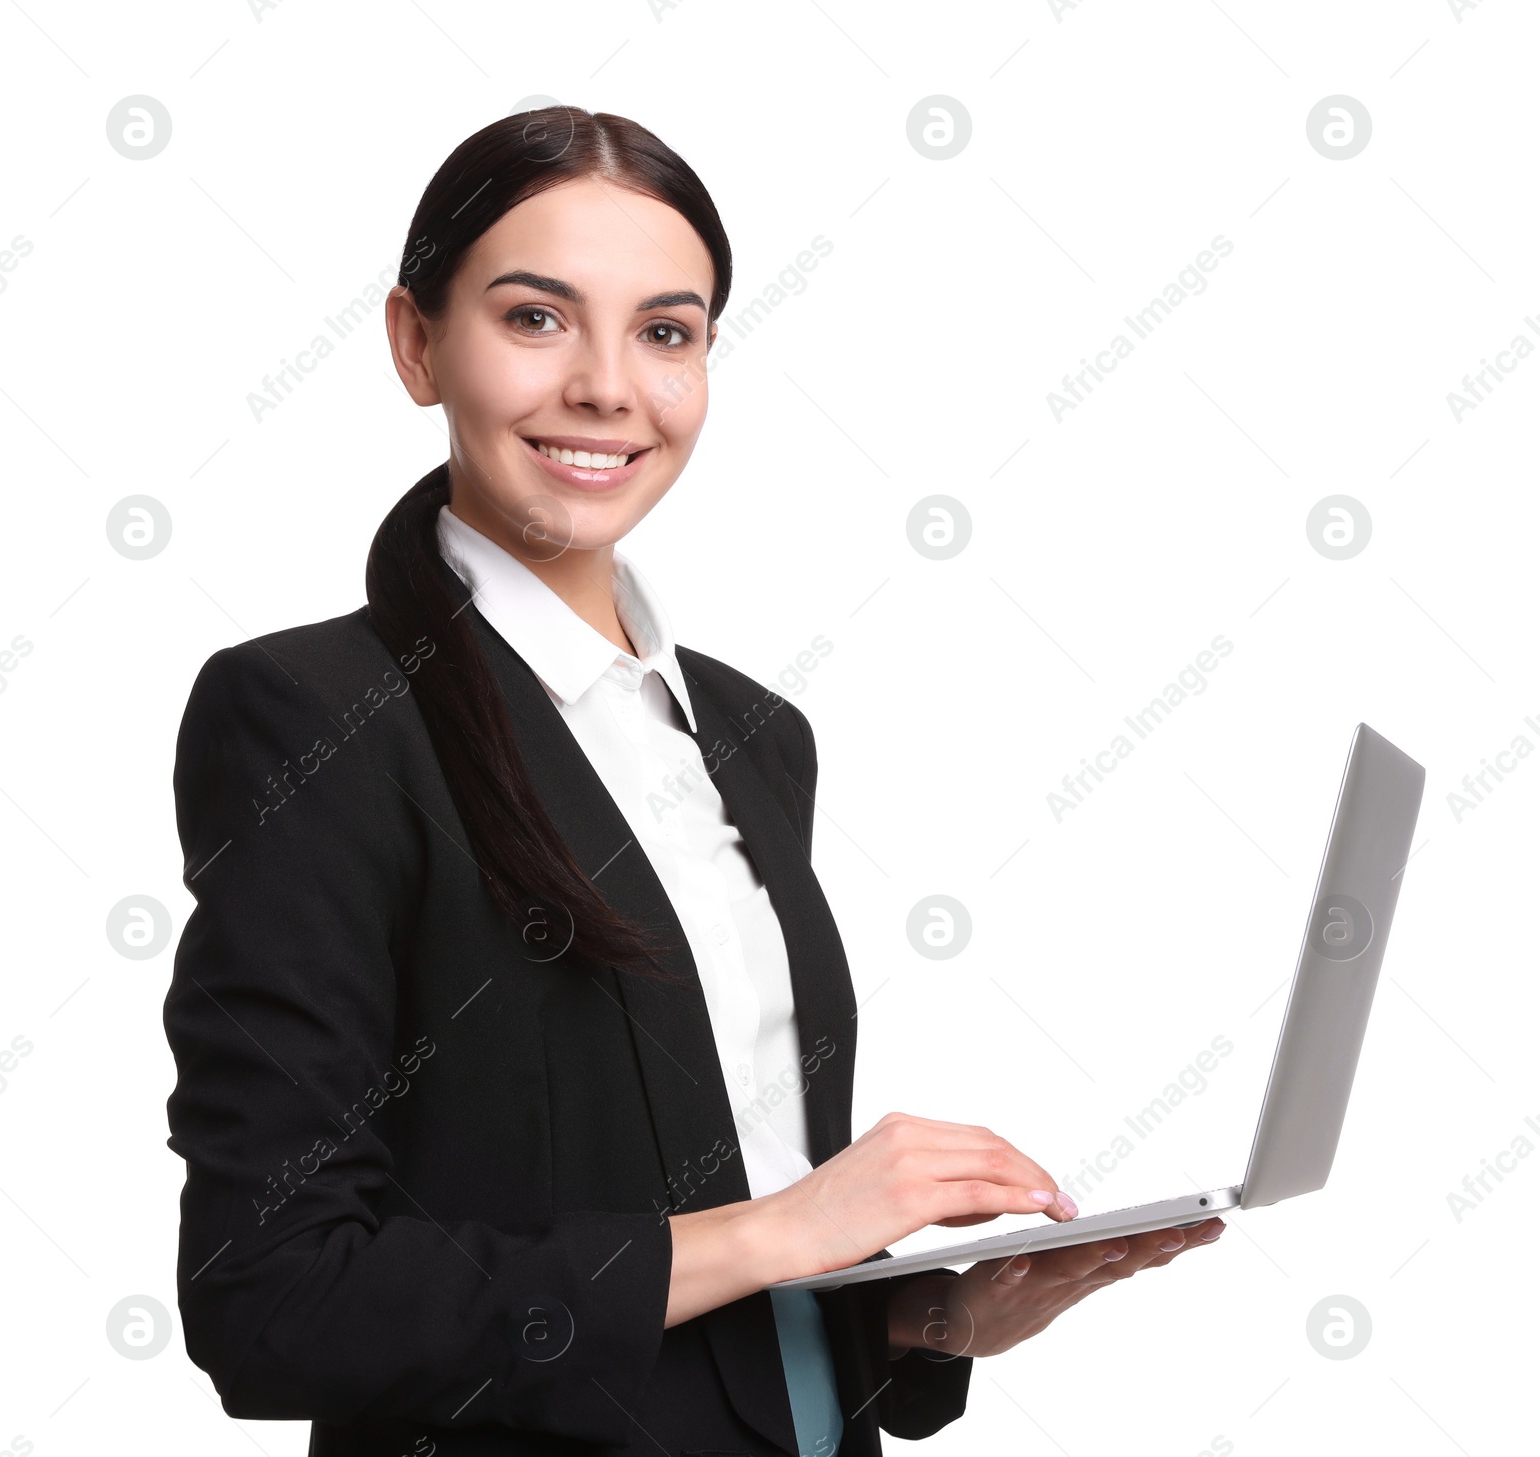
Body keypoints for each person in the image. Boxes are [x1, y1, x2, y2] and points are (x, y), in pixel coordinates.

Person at [162, 105, 1223, 1457]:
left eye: (665, 331)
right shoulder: (316, 719)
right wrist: (789, 1227)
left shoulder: (750, 733)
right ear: (416, 345)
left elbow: (711, 1258)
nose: (609, 385)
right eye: (537, 318)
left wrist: (924, 1323)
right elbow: (276, 1300)